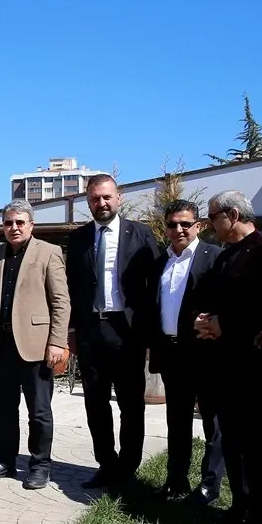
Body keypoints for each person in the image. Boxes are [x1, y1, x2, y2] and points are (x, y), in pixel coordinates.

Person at [195, 190, 262, 524]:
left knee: (254, 441)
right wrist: (208, 319)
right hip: (223, 363)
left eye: (212, 216)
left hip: (252, 364)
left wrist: (225, 324)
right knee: (231, 439)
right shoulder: (224, 258)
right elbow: (222, 302)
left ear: (232, 215)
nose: (209, 224)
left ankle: (259, 515)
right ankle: (239, 505)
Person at [65, 174, 160, 488]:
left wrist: (149, 332)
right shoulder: (78, 239)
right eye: (94, 198)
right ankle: (106, 464)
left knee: (131, 403)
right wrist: (72, 331)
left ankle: (128, 468)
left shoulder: (141, 234)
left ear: (118, 198)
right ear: (88, 201)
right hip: (92, 330)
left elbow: (154, 287)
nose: (101, 203)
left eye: (106, 197)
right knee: (95, 401)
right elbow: (72, 287)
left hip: (127, 331)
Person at [0, 200, 70, 489]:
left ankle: (40, 465)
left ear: (30, 224)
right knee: (3, 409)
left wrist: (57, 341)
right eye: (8, 223)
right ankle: (4, 460)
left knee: (39, 411)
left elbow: (61, 301)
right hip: (0, 345)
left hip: (36, 346)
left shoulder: (49, 252)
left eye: (19, 222)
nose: (14, 227)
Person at [145, 199, 223, 505]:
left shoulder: (215, 258)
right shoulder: (160, 263)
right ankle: (175, 481)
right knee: (176, 421)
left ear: (199, 225)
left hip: (205, 352)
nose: (179, 229)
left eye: (185, 224)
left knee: (212, 422)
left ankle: (209, 486)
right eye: (172, 224)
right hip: (172, 353)